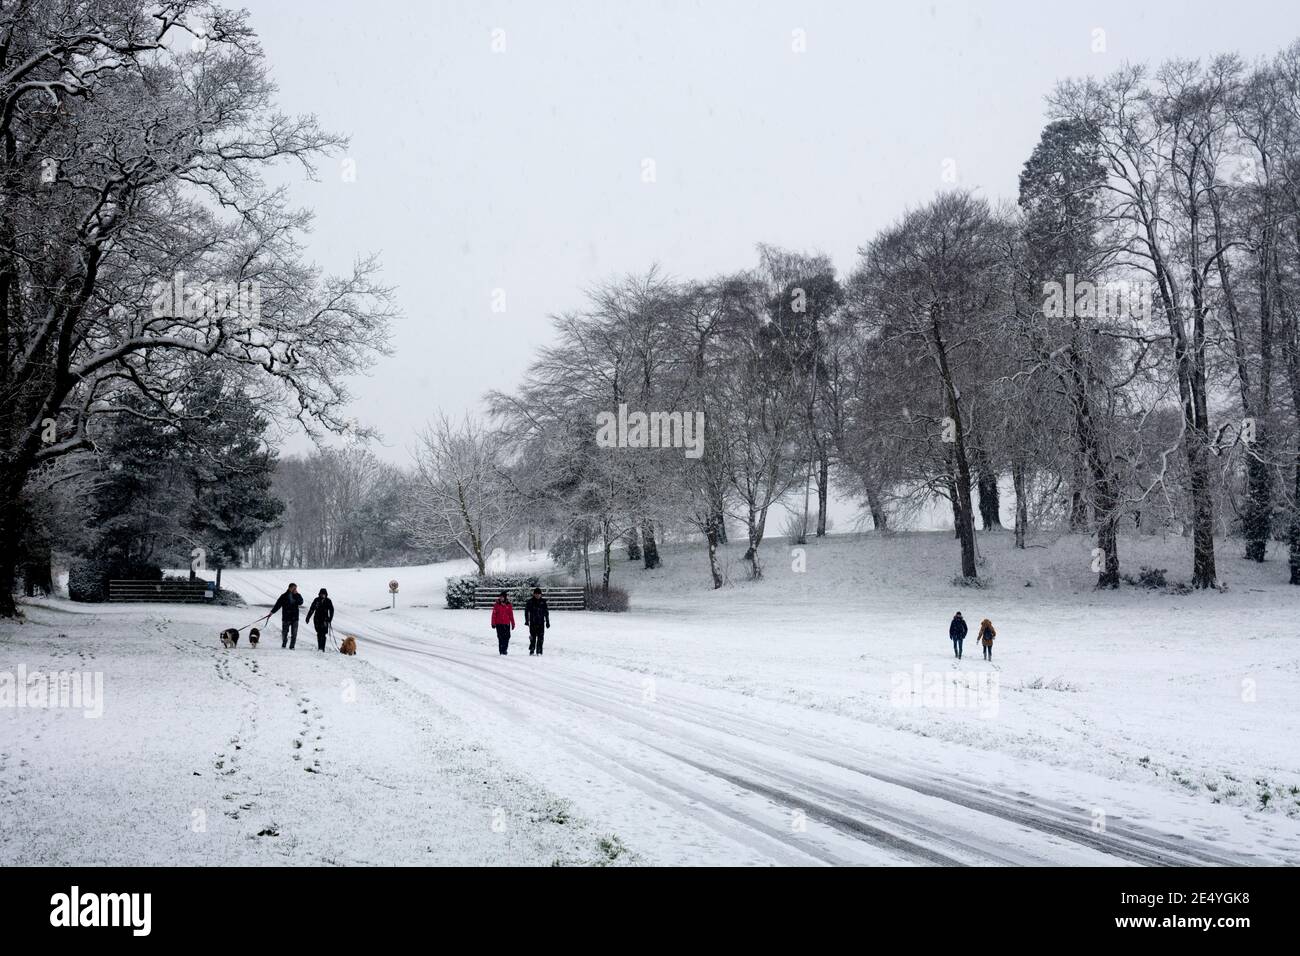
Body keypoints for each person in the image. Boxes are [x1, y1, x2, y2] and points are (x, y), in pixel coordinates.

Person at [268, 583, 304, 649]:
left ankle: (292, 646)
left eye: (296, 588)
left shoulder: (297, 595)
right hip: (286, 617)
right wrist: (272, 612)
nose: (295, 589)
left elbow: (301, 602)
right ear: (290, 588)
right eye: (294, 588)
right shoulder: (283, 596)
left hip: (295, 617)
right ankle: (284, 643)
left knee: (294, 633)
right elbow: (278, 605)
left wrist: (297, 595)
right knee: (284, 632)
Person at [306, 588, 334, 652]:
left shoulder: (328, 601)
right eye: (321, 594)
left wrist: (330, 618)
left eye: (324, 594)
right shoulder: (316, 600)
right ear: (319, 594)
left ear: (326, 594)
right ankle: (319, 647)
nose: (323, 595)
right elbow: (312, 609)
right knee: (319, 633)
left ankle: (322, 648)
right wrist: (308, 617)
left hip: (325, 619)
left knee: (323, 634)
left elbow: (331, 610)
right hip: (317, 619)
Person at [524, 587, 550, 656]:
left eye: (539, 594)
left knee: (541, 638)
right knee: (533, 637)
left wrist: (547, 621)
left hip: (541, 622)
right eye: (536, 594)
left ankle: (539, 651)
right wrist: (526, 620)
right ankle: (532, 649)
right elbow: (526, 612)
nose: (538, 595)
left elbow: (546, 612)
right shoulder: (530, 602)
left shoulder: (543, 602)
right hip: (533, 622)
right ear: (534, 594)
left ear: (541, 594)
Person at [490, 591, 515, 655]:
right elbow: (494, 614)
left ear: (505, 598)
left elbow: (511, 615)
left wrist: (513, 623)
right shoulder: (497, 605)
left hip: (506, 624)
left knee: (507, 637)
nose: (501, 598)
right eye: (500, 597)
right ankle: (501, 651)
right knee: (500, 637)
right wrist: (493, 623)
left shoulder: (508, 605)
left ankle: (505, 649)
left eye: (502, 597)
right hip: (499, 624)